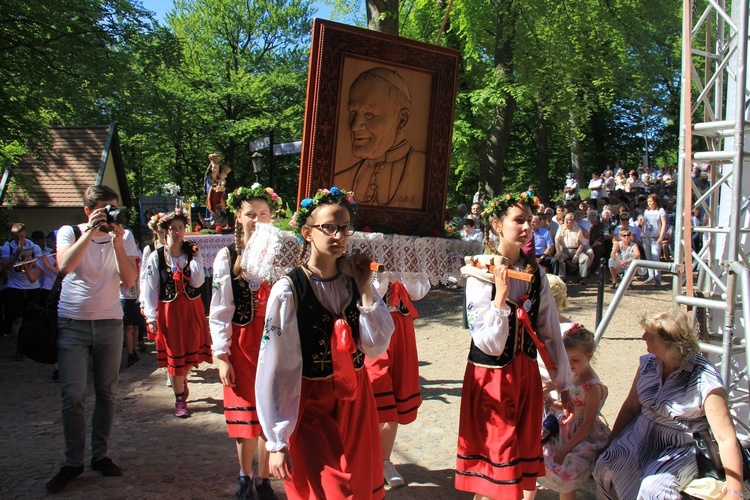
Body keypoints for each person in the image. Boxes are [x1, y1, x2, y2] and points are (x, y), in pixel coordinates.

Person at [256, 187, 395, 499]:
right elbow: (274, 367)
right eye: (328, 227)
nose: (338, 236)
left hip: (357, 401)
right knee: (329, 491)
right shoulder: (289, 290)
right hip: (311, 404)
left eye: (344, 228)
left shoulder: (354, 281)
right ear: (307, 232)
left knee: (358, 487)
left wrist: (365, 290)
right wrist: (277, 439)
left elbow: (375, 347)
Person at [456, 193, 572, 500]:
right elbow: (488, 343)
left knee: (515, 474)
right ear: (497, 224)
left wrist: (564, 385)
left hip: (525, 376)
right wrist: (500, 296)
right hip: (490, 378)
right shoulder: (480, 271)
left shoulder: (536, 273)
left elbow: (550, 333)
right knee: (495, 470)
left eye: (529, 221)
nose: (526, 228)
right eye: (518, 220)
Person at [594, 309, 745, 499]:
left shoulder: (704, 378)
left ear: (669, 343)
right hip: (642, 435)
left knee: (654, 489)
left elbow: (725, 437)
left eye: (649, 335)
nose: (643, 337)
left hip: (681, 445)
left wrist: (734, 489)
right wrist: (611, 441)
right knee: (605, 464)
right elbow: (631, 407)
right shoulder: (649, 364)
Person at [46, 185, 139, 493]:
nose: (110, 215)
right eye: (103, 210)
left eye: (113, 209)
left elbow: (129, 280)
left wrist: (116, 242)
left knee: (107, 393)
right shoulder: (69, 232)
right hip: (72, 322)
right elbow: (66, 266)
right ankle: (73, 461)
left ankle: (100, 455)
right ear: (88, 211)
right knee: (72, 394)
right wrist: (89, 232)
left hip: (111, 322)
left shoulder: (122, 237)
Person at [209, 184, 281, 500]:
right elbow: (220, 306)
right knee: (244, 415)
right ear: (240, 217)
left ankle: (264, 480)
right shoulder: (228, 256)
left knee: (270, 414)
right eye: (250, 214)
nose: (257, 219)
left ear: (272, 217)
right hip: (242, 343)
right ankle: (245, 476)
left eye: (263, 213)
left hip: (276, 343)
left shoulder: (283, 253)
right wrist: (221, 354)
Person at [142, 212, 213, 418]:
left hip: (191, 308)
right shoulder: (157, 256)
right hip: (169, 311)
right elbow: (150, 288)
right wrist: (151, 316)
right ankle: (180, 398)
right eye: (173, 228)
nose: (177, 232)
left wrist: (197, 257)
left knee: (191, 351)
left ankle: (181, 380)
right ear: (166, 231)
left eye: (181, 227)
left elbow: (198, 283)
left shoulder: (191, 253)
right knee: (174, 354)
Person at [333, 67, 426, 209]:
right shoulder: (339, 179)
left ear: (402, 120)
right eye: (352, 112)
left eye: (369, 114)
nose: (354, 126)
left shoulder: (424, 172)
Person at [537, 325, 611, 500]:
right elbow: (569, 408)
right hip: (564, 429)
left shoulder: (592, 387)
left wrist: (566, 449)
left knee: (565, 473)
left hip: (580, 437)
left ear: (589, 356)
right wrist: (549, 401)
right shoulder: (571, 374)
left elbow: (586, 423)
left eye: (575, 360)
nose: (569, 365)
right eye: (566, 360)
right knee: (537, 457)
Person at [368, 275, 428, 489]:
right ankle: (367, 459)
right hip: (372, 325)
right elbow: (374, 289)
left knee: (395, 393)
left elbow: (419, 292)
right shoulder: (368, 251)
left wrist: (406, 268)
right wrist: (386, 269)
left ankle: (384, 461)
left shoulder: (404, 252)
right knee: (375, 388)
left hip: (401, 325)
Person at [1, 223, 42, 360]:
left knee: (32, 319)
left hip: (32, 287)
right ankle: (19, 349)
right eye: (16, 237)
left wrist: (29, 262)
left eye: (22, 236)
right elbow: (5, 268)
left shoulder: (34, 247)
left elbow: (39, 267)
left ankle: (32, 347)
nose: (19, 239)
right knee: (17, 319)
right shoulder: (7, 247)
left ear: (25, 234)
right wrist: (16, 256)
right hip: (15, 287)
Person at [555, 213, 589, 283]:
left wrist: (576, 255)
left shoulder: (578, 229)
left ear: (573, 221)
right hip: (564, 250)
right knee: (559, 258)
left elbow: (581, 244)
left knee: (585, 258)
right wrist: (558, 251)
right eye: (565, 219)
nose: (566, 221)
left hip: (576, 250)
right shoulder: (561, 227)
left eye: (569, 220)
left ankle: (581, 277)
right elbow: (556, 240)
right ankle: (561, 277)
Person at [642, 193, 667, 286]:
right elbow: (644, 223)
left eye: (651, 201)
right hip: (647, 236)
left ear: (655, 202)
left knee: (655, 257)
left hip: (656, 237)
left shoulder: (660, 211)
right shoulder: (646, 211)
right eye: (648, 202)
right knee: (648, 257)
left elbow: (664, 223)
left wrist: (661, 236)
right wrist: (643, 232)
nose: (649, 203)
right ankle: (650, 276)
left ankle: (658, 278)